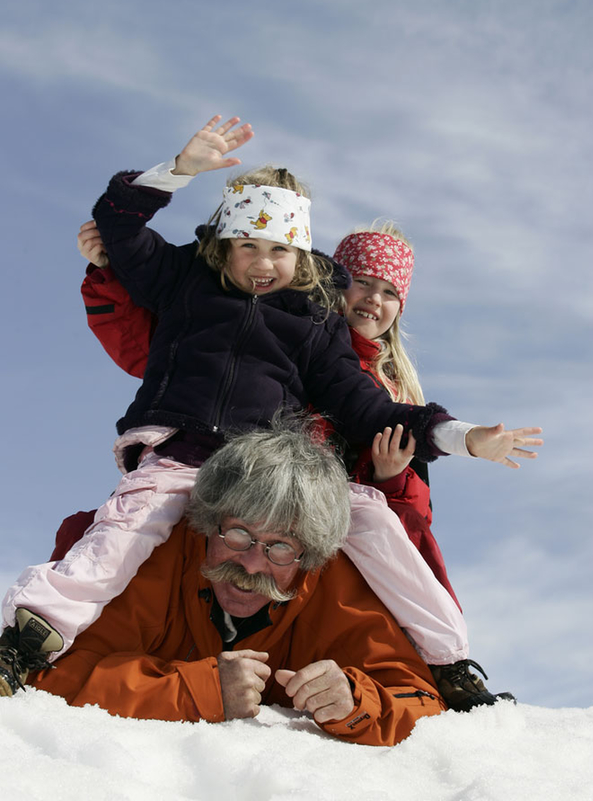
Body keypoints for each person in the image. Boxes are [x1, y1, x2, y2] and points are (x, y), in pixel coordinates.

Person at [0, 115, 542, 700]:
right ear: (223, 245)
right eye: (248, 247)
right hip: (181, 450)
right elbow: (118, 224)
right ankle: (22, 643)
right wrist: (180, 170)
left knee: (375, 521)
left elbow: (362, 404)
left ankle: (450, 666)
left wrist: (460, 436)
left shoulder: (313, 322)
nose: (262, 263)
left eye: (279, 249)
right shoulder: (183, 281)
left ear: (301, 252)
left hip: (268, 468)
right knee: (124, 530)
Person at [29, 422, 448, 746]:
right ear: (207, 522)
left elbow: (425, 705)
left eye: (280, 548)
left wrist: (357, 701)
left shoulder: (338, 584)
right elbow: (47, 675)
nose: (251, 564)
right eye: (237, 535)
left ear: (312, 553)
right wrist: (197, 690)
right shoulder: (145, 560)